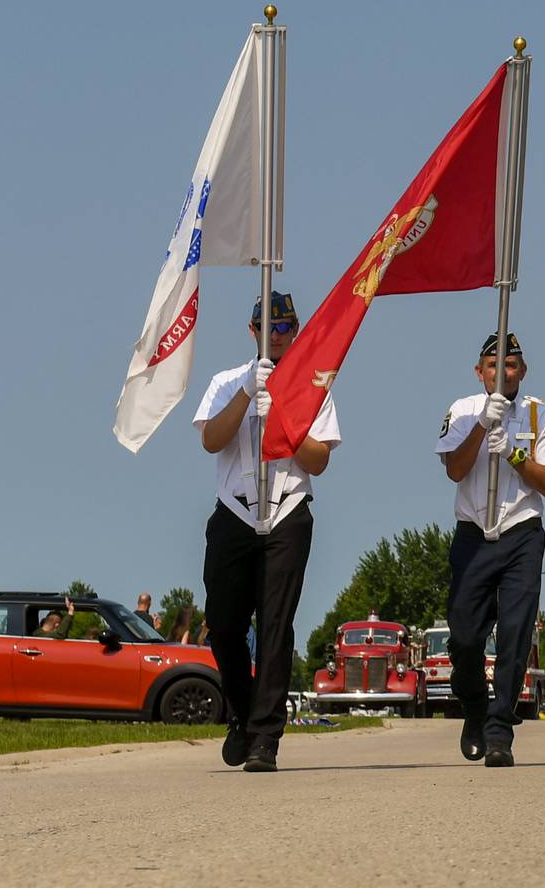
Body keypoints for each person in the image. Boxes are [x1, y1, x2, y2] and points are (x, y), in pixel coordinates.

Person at [197, 292, 341, 773]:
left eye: (286, 328)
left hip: (287, 512)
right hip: (235, 513)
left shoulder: (314, 385)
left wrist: (282, 409)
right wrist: (246, 394)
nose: (277, 336)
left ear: (296, 330)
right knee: (223, 625)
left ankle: (265, 737)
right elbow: (211, 439)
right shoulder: (226, 381)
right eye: (269, 327)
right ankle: (241, 711)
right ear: (253, 330)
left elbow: (319, 460)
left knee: (276, 626)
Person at [434, 331, 545, 767]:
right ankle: (474, 708)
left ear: (522, 371)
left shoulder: (539, 414)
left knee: (514, 634)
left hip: (521, 532)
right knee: (465, 636)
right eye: (494, 365)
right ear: (480, 372)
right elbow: (455, 469)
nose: (502, 372)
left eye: (510, 365)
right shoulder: (462, 410)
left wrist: (513, 454)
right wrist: (481, 426)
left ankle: (498, 731)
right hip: (474, 532)